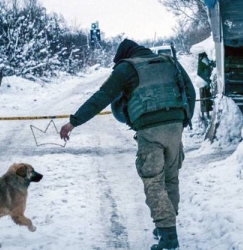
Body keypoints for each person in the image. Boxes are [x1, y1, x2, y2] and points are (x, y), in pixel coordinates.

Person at [60, 39, 196, 250]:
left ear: (124, 55)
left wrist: (73, 122)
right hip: (175, 125)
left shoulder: (125, 68)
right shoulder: (170, 62)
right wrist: (184, 120)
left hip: (149, 128)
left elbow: (102, 97)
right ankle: (166, 226)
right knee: (171, 179)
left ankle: (169, 238)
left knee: (153, 181)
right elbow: (190, 91)